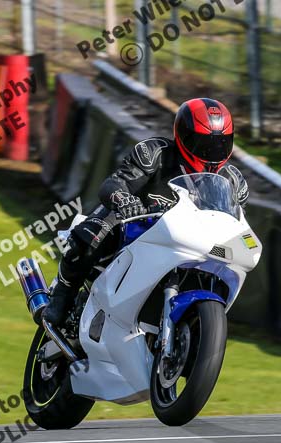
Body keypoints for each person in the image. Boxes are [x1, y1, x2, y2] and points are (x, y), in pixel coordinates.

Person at [42, 98, 249, 326]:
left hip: (189, 243)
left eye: (219, 144)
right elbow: (114, 184)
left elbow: (235, 222)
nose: (211, 153)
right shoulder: (155, 153)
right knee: (95, 231)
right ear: (183, 136)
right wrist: (125, 200)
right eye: (203, 144)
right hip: (137, 227)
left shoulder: (232, 181)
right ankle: (63, 294)